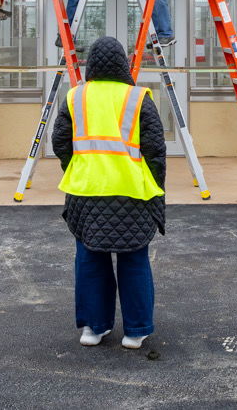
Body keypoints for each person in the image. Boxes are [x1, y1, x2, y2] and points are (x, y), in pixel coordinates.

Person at [51, 36, 166, 350]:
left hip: (85, 193)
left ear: (91, 64)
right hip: (132, 194)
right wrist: (157, 190)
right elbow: (155, 150)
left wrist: (78, 169)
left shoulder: (75, 97)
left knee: (89, 259)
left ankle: (93, 328)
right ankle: (136, 332)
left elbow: (59, 143)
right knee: (134, 260)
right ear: (123, 64)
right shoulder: (138, 97)